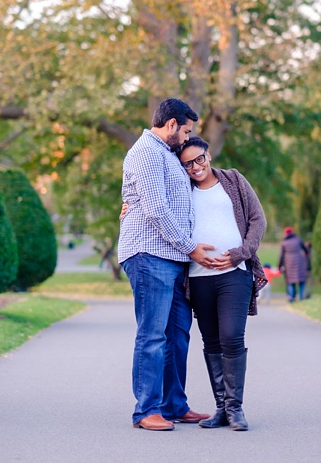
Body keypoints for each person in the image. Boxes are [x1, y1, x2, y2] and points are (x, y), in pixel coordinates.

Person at [125, 136, 268, 431]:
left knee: (232, 337)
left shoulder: (234, 181)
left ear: (209, 155)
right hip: (198, 278)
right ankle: (221, 409)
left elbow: (258, 220)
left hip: (234, 273)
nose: (195, 167)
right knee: (211, 341)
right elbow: (153, 203)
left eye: (199, 159)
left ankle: (235, 408)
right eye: (187, 164)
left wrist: (241, 253)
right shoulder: (182, 190)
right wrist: (128, 207)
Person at [116, 98, 215, 431]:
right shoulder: (146, 152)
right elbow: (157, 209)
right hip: (148, 254)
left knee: (177, 335)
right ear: (171, 124)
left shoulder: (166, 155)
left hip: (172, 258)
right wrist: (192, 248)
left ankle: (174, 404)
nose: (187, 138)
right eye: (185, 131)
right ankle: (146, 410)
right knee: (153, 335)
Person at [279, 226, 311, 302]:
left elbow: (282, 256)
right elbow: (305, 249)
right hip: (300, 262)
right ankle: (301, 297)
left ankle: (292, 297)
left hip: (289, 263)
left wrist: (279, 266)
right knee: (301, 280)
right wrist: (306, 253)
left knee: (290, 281)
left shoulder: (284, 242)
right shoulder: (298, 239)